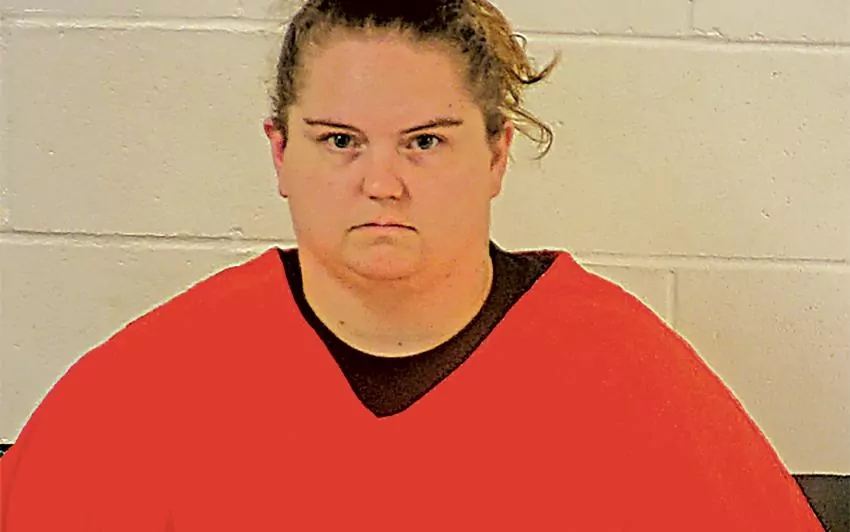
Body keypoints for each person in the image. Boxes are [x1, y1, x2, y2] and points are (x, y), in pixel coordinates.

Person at [0, 1, 824, 530]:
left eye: (425, 141)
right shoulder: (152, 382)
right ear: (280, 154)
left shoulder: (628, 374)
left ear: (496, 155)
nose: (382, 182)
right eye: (340, 140)